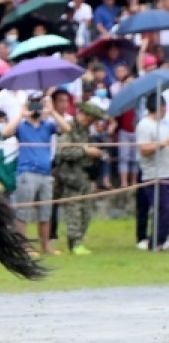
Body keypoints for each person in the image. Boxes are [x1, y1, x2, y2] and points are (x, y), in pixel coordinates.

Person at [2, 92, 71, 256]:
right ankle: (23, 247)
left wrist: (52, 111)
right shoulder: (21, 126)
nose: (36, 107)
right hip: (26, 172)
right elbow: (5, 133)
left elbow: (67, 128)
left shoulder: (48, 125)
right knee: (23, 212)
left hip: (45, 173)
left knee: (45, 212)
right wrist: (21, 114)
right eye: (33, 103)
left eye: (38, 104)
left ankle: (45, 246)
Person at [53, 102, 105, 255]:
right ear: (83, 114)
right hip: (71, 177)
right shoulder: (68, 128)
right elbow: (62, 152)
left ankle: (80, 239)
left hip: (85, 176)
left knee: (86, 212)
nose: (91, 122)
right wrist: (85, 151)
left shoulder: (86, 132)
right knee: (74, 211)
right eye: (90, 119)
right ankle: (74, 243)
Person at [136, 94, 169, 251]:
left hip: (166, 172)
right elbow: (144, 150)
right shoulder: (145, 125)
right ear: (161, 107)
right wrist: (162, 144)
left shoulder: (162, 125)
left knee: (165, 209)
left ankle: (160, 239)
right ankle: (156, 242)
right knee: (163, 208)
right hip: (153, 175)